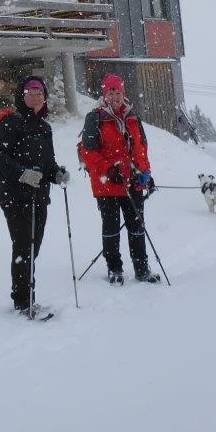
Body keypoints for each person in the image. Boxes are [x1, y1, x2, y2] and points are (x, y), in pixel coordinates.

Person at [0, 75, 69, 316]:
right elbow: (0, 159)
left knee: (33, 247)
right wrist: (23, 174)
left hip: (38, 196)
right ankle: (22, 301)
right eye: (29, 92)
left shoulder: (45, 128)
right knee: (24, 246)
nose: (34, 96)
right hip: (15, 196)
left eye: (39, 92)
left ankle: (27, 298)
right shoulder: (11, 122)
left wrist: (57, 174)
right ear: (21, 96)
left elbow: (48, 162)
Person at [79, 73, 160, 284]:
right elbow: (88, 152)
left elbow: (141, 148)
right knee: (111, 229)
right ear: (104, 95)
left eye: (117, 91)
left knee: (137, 227)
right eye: (110, 92)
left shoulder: (132, 116)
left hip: (132, 182)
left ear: (123, 94)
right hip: (107, 185)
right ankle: (114, 269)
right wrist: (108, 170)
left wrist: (146, 173)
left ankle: (142, 269)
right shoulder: (94, 117)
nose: (114, 96)